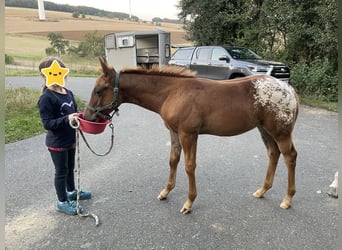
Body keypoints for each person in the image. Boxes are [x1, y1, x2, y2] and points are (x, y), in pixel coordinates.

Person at [37, 57, 91, 215]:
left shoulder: (68, 93)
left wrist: (81, 117)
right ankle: (61, 202)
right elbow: (47, 123)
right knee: (61, 171)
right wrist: (67, 119)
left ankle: (71, 192)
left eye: (60, 72)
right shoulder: (46, 98)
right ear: (45, 75)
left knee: (70, 169)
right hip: (57, 143)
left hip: (70, 140)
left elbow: (72, 112)